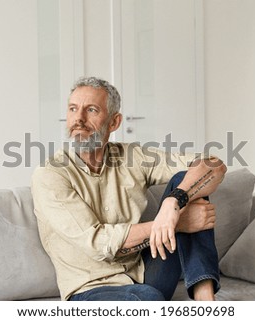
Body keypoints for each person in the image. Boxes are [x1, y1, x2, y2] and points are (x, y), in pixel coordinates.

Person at [31, 76, 227, 301]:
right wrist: (177, 223)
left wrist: (174, 202)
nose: (79, 119)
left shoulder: (133, 157)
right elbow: (98, 244)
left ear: (114, 122)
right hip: (89, 289)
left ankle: (206, 300)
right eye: (73, 109)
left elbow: (212, 165)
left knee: (187, 181)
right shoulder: (50, 174)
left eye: (91, 110)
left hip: (145, 273)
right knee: (147, 299)